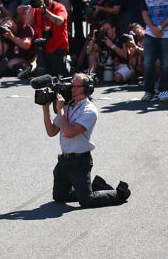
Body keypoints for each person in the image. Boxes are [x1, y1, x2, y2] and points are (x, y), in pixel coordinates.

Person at [42, 73, 130, 207]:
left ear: (87, 89)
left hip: (80, 161)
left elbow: (69, 133)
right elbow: (51, 132)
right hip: (64, 161)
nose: (72, 89)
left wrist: (59, 110)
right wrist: (45, 108)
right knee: (59, 197)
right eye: (72, 86)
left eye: (77, 87)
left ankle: (120, 193)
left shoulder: (89, 111)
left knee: (87, 201)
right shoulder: (67, 106)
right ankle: (94, 186)